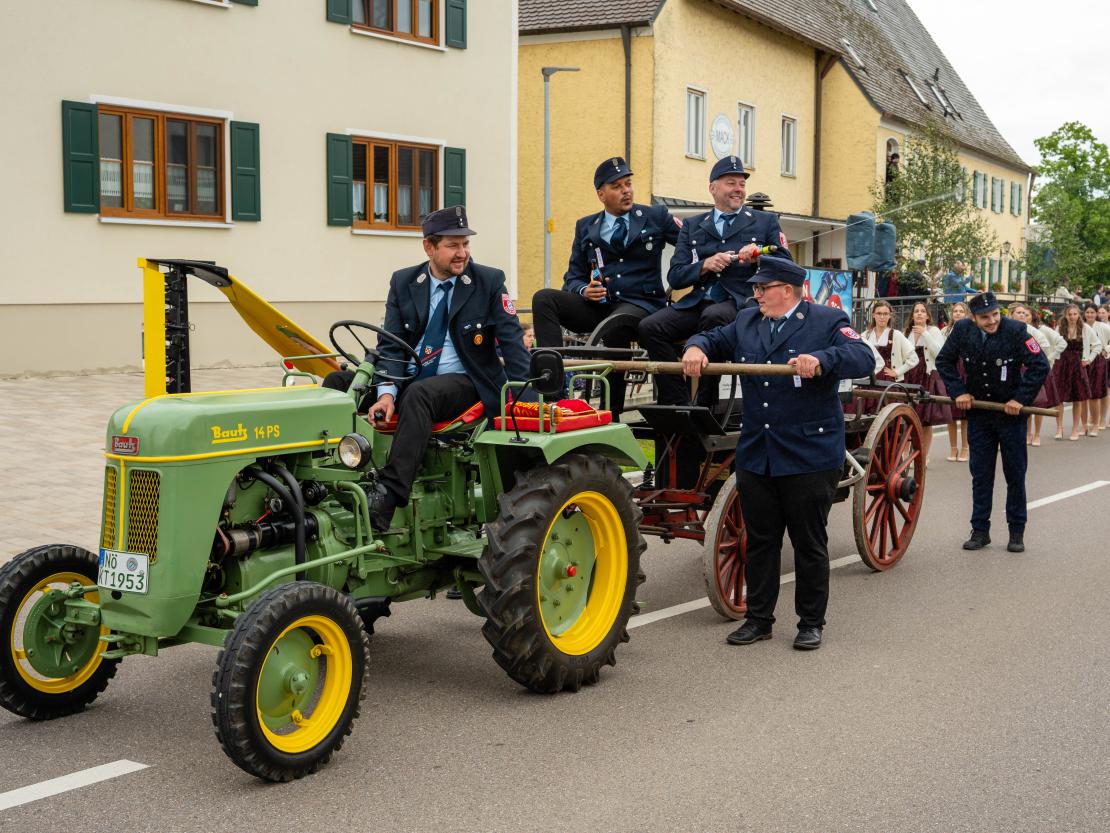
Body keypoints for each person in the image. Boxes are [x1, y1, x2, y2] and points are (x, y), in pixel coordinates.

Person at [681, 255, 875, 651]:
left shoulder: (825, 321)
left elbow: (863, 358)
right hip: (759, 450)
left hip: (809, 452)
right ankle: (759, 619)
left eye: (761, 288)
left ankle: (810, 622)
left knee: (808, 542)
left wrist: (822, 359)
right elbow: (714, 339)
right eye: (755, 288)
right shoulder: (749, 320)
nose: (755, 295)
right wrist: (696, 347)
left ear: (787, 290)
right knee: (762, 540)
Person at [322, 206, 531, 531]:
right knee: (338, 382)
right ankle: (326, 477)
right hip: (409, 378)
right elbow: (391, 344)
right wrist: (387, 393)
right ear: (429, 247)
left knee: (419, 396)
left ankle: (387, 496)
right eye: (453, 245)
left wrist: (525, 398)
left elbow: (512, 342)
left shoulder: (489, 281)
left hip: (466, 383)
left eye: (465, 244)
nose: (462, 253)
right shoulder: (405, 281)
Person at [530, 156, 679, 417]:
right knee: (543, 298)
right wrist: (582, 290)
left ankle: (612, 412)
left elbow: (691, 243)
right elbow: (572, 277)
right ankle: (554, 397)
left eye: (628, 184)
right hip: (600, 305)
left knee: (617, 323)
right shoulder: (586, 226)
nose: (626, 191)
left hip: (641, 305)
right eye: (617, 186)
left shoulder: (655, 216)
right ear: (601, 194)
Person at [639, 155, 791, 406]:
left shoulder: (765, 221)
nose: (739, 189)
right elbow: (675, 276)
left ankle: (705, 403)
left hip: (741, 303)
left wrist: (757, 258)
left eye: (742, 184)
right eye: (731, 183)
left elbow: (786, 263)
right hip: (698, 301)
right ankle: (677, 399)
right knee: (649, 327)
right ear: (713, 188)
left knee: (713, 317)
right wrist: (704, 265)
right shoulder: (693, 225)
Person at [935, 292, 1049, 553]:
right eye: (985, 317)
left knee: (1015, 475)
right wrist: (958, 391)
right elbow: (944, 361)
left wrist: (1020, 399)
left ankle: (1016, 531)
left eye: (995, 314)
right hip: (980, 413)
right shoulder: (963, 329)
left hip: (1011, 414)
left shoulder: (1017, 330)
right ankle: (980, 530)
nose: (992, 321)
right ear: (974, 318)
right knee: (981, 474)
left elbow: (1040, 365)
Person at [902, 302, 949, 465]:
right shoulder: (907, 332)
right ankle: (905, 454)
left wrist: (925, 334)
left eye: (923, 311)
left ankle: (924, 454)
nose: (920, 314)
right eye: (916, 311)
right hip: (909, 375)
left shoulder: (934, 331)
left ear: (928, 316)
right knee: (908, 416)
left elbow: (940, 353)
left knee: (925, 419)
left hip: (927, 375)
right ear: (912, 315)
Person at [1009, 304, 1064, 446]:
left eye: (1024, 313)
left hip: (1028, 370)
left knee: (1036, 403)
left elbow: (1044, 345)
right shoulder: (1006, 329)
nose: (1022, 315)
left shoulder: (1032, 331)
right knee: (1020, 403)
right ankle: (1026, 433)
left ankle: (1037, 434)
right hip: (1013, 371)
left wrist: (1037, 361)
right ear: (1012, 315)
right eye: (1019, 313)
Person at [1054, 304, 1097, 441]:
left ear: (1078, 314)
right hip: (1062, 364)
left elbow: (1097, 345)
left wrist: (1088, 359)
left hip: (1078, 365)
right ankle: (1059, 428)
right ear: (1065, 315)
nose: (1072, 317)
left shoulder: (1085, 328)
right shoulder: (1060, 327)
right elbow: (1054, 344)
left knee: (1077, 398)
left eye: (1075, 314)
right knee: (1059, 397)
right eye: (1069, 314)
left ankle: (1075, 429)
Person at [941, 302, 971, 461]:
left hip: (965, 369)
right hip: (952, 370)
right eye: (955, 311)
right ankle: (953, 448)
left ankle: (965, 447)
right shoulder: (945, 331)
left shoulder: (970, 330)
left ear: (966, 314)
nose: (958, 314)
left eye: (961, 311)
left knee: (965, 414)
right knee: (951, 414)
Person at [1082, 304, 1110, 435]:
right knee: (1085, 392)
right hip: (1084, 360)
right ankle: (1090, 418)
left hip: (1099, 361)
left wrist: (1107, 350)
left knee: (1098, 391)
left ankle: (1100, 419)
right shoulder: (1081, 326)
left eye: (1092, 312)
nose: (1089, 315)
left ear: (1096, 314)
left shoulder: (1103, 327)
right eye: (1087, 312)